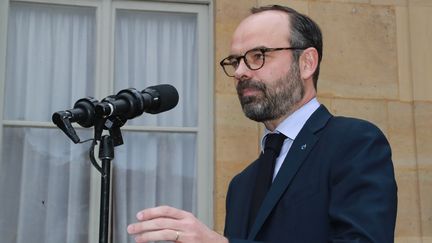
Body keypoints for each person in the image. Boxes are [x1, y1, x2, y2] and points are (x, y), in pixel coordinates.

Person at [127, 5, 398, 243]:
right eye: (235, 61)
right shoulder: (241, 185)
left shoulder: (354, 143)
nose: (240, 72)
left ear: (306, 63)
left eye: (258, 55)